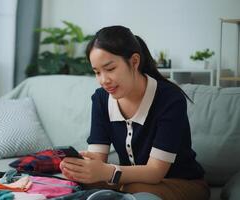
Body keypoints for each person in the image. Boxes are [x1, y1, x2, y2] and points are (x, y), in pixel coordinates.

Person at [59, 25, 210, 200]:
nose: (103, 80)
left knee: (134, 188)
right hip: (127, 183)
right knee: (80, 184)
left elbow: (155, 172)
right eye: (97, 72)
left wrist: (107, 172)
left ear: (134, 62)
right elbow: (98, 161)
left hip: (182, 183)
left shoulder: (169, 98)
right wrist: (83, 168)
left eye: (110, 69)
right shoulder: (101, 99)